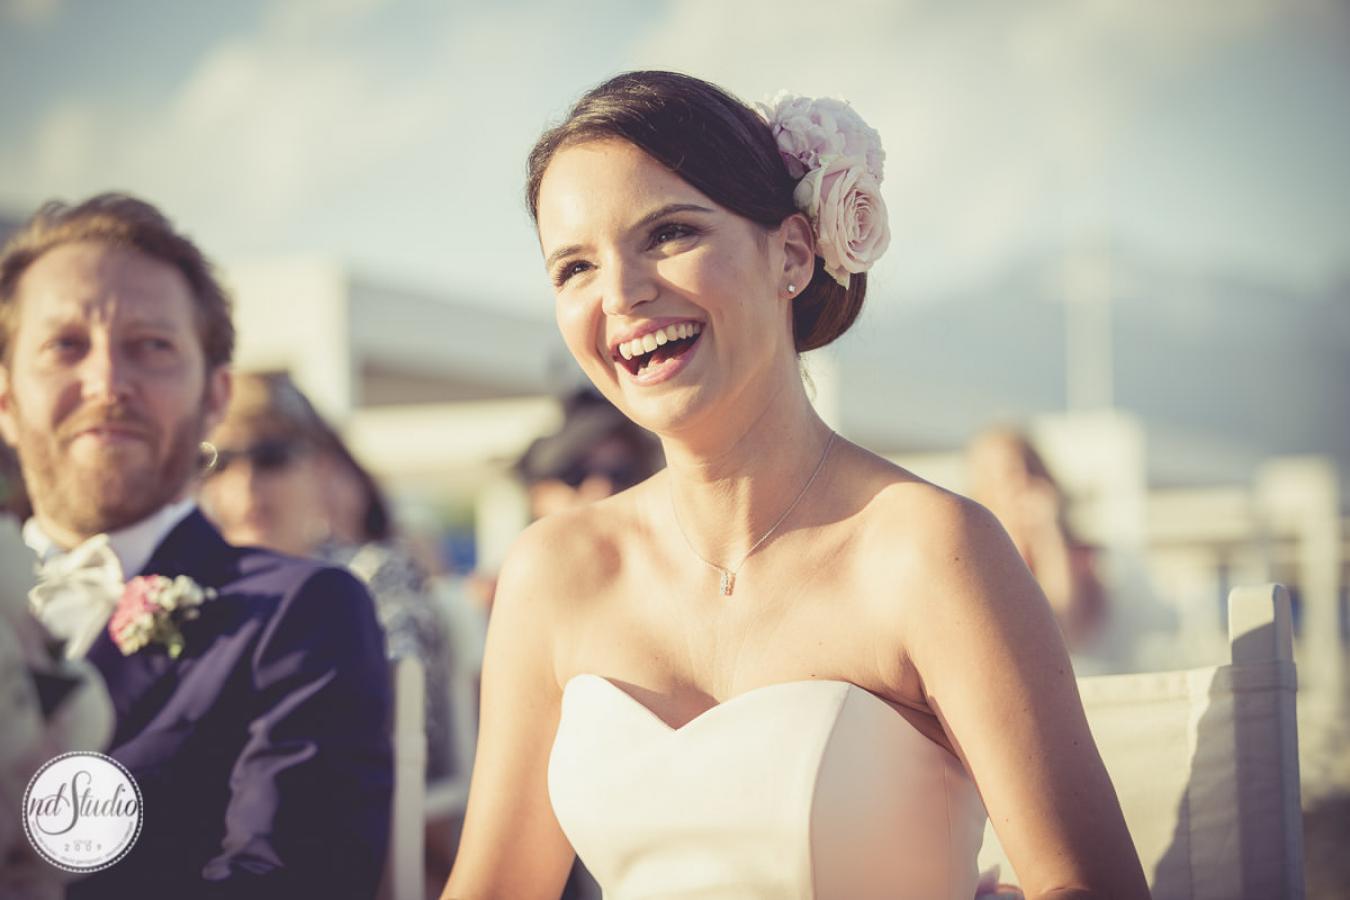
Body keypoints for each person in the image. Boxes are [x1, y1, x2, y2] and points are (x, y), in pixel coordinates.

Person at [443, 71, 1149, 899]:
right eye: (574, 267)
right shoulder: (552, 573)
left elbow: (1088, 885)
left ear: (792, 251)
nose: (622, 294)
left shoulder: (930, 553)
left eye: (668, 233)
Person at [0, 194, 393, 899]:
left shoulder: (301, 613)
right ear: (5, 398)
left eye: (150, 347)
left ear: (214, 397)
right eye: (65, 346)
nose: (107, 384)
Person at [200, 370, 454, 782]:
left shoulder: (373, 574)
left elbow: (407, 731)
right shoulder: (188, 589)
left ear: (318, 469)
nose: (245, 483)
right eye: (220, 461)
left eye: (272, 457)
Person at [966, 427, 1107, 653]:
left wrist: (1048, 537)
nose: (1022, 481)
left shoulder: (1083, 557)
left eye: (1029, 468)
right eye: (1006, 473)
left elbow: (1067, 631)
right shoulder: (974, 557)